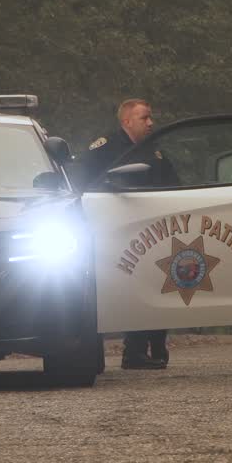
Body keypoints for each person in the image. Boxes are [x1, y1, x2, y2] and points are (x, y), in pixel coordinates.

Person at [76, 98, 172, 370]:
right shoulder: (104, 148)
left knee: (157, 282)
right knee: (130, 284)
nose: (151, 122)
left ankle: (155, 345)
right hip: (115, 229)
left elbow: (173, 184)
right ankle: (130, 352)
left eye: (151, 117)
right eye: (145, 118)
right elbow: (83, 183)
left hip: (153, 230)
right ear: (127, 121)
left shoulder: (153, 150)